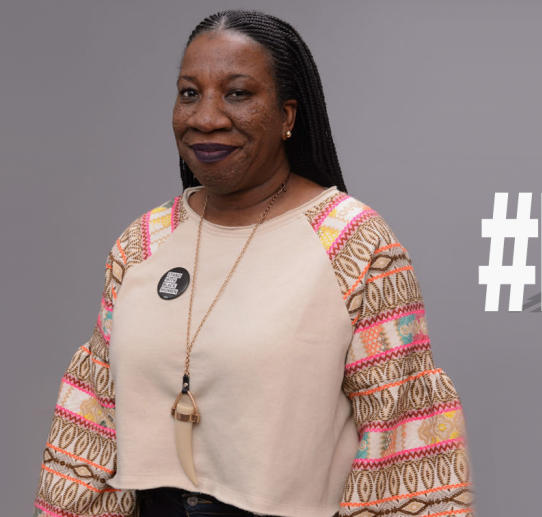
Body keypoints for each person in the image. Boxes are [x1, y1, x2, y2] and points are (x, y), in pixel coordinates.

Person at [32, 9, 474, 517]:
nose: (205, 117)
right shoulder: (144, 242)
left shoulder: (353, 244)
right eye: (189, 93)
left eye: (238, 93)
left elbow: (402, 441)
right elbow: (92, 421)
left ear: (288, 116)